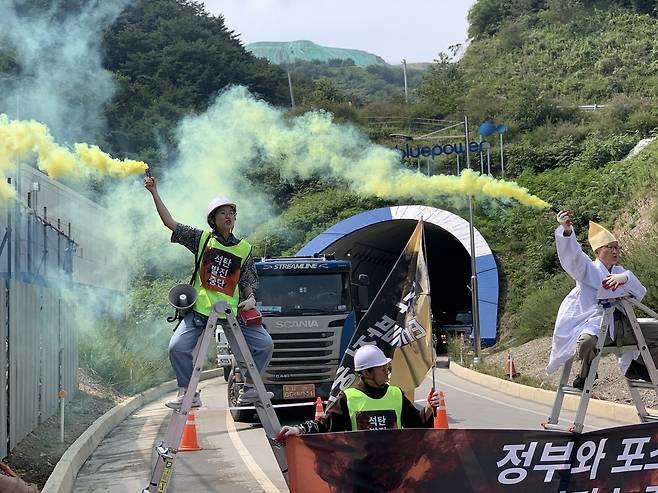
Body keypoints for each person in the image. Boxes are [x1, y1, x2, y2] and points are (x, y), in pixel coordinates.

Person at [144, 174, 273, 409]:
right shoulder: (202, 240)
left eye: (231, 212)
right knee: (177, 347)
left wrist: (251, 298)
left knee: (264, 345)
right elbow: (169, 223)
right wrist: (154, 192)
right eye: (223, 212)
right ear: (213, 219)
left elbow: (248, 280)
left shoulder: (244, 248)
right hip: (201, 311)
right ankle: (188, 391)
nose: (228, 216)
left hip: (233, 313)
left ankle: (250, 389)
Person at [546, 210, 652, 390]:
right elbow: (573, 257)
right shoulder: (588, 270)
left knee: (655, 331)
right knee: (586, 342)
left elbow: (640, 292)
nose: (614, 251)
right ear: (597, 251)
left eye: (616, 247)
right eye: (609, 247)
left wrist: (626, 278)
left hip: (623, 327)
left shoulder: (620, 272)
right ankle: (586, 372)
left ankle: (642, 367)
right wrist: (567, 232)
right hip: (594, 324)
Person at [276, 345, 440, 439]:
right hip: (362, 473)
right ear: (367, 373)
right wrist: (299, 430)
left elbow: (416, 424)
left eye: (387, 367)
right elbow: (325, 426)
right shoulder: (348, 398)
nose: (386, 371)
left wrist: (429, 408)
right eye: (382, 368)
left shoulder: (396, 394)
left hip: (393, 469)